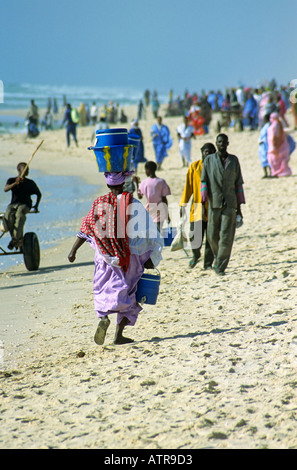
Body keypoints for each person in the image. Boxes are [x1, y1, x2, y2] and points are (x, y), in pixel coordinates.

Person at [68, 171, 163, 345]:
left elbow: (86, 228)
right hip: (130, 259)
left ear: (108, 186)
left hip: (104, 257)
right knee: (130, 294)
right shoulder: (134, 205)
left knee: (103, 289)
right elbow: (150, 232)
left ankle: (104, 316)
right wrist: (152, 255)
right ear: (123, 184)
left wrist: (73, 251)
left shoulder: (99, 204)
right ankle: (118, 335)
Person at [201, 134, 245, 275]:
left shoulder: (233, 160)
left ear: (228, 143)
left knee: (226, 236)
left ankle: (220, 267)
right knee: (212, 235)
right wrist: (203, 204)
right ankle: (218, 256)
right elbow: (204, 182)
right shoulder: (209, 161)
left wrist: (239, 208)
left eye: (224, 142)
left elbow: (239, 185)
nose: (222, 144)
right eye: (219, 142)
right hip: (214, 203)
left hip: (230, 204)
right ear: (216, 143)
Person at [179, 143, 216, 269]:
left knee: (211, 238)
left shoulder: (218, 167)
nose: (209, 154)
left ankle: (208, 264)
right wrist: (183, 204)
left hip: (213, 208)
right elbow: (188, 187)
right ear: (202, 153)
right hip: (197, 207)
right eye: (206, 152)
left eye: (211, 152)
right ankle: (196, 255)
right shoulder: (194, 167)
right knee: (195, 237)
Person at [4, 162, 42, 251]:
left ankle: (14, 241)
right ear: (19, 170)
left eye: (27, 170)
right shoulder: (11, 180)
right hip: (13, 205)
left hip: (25, 205)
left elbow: (38, 194)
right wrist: (15, 184)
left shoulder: (30, 182)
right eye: (25, 170)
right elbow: (5, 189)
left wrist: (36, 206)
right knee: (8, 216)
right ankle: (17, 239)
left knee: (20, 215)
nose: (27, 172)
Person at [138, 161, 171, 232]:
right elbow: (164, 200)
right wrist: (167, 215)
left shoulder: (144, 182)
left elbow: (140, 196)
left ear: (148, 170)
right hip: (160, 211)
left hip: (148, 211)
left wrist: (137, 183)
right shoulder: (161, 182)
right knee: (158, 234)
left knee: (149, 234)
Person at [267, 112, 292, 177]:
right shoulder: (279, 124)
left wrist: (275, 146)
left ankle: (279, 172)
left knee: (276, 159)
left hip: (277, 146)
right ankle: (282, 171)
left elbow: (276, 137)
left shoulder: (276, 125)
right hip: (282, 145)